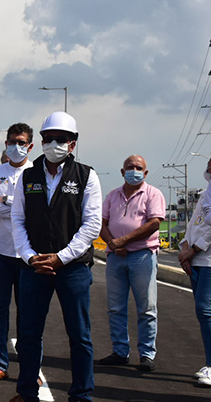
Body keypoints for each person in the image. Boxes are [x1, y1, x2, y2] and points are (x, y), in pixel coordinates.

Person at [10, 112, 101, 402]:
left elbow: (91, 225)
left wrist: (62, 257)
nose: (53, 144)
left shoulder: (87, 175)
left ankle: (81, 395)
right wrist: (29, 256)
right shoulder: (28, 176)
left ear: (72, 144)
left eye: (61, 139)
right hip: (34, 267)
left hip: (72, 268)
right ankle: (26, 393)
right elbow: (17, 220)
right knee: (28, 335)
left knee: (80, 336)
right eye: (48, 138)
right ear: (41, 141)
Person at [98, 155, 165, 372]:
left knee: (146, 308)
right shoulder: (112, 195)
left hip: (142, 255)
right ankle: (120, 351)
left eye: (138, 168)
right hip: (116, 257)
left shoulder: (153, 194)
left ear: (145, 173)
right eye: (130, 167)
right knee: (115, 307)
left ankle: (146, 353)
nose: (133, 170)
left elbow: (154, 223)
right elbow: (102, 222)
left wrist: (124, 241)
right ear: (122, 171)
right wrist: (113, 244)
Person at [0, 123, 35, 384]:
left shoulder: (38, 173)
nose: (17, 146)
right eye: (12, 141)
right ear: (5, 144)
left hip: (27, 253)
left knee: (28, 312)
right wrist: (19, 205)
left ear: (30, 146)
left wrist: (6, 203)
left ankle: (29, 369)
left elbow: (38, 210)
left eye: (22, 142)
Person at [178, 157, 211, 386]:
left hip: (208, 258)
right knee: (203, 313)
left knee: (205, 310)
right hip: (197, 259)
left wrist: (195, 248)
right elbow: (194, 225)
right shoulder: (206, 192)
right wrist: (186, 249)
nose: (208, 168)